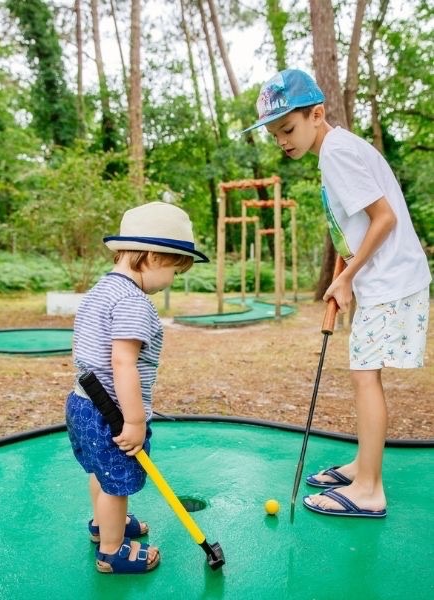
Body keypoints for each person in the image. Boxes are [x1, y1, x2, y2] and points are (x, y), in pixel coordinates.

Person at [243, 69, 431, 518]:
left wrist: (348, 277)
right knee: (363, 372)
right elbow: (362, 226)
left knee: (365, 375)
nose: (283, 140)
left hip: (390, 279)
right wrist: (346, 273)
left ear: (317, 114)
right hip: (385, 278)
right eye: (275, 134)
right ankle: (362, 466)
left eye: (288, 129)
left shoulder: (336, 154)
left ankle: (369, 488)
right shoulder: (340, 148)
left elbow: (383, 219)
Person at [67, 202, 208, 574]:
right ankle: (112, 551)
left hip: (82, 404)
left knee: (100, 471)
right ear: (153, 258)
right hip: (111, 414)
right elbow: (122, 363)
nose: (171, 281)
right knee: (117, 486)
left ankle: (102, 526)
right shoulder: (133, 301)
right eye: (175, 271)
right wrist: (133, 421)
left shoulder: (100, 291)